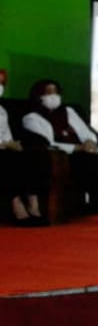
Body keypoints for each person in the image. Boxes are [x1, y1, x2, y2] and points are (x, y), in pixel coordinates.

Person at [23, 78, 98, 223]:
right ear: (39, 96)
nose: (54, 96)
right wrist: (76, 148)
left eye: (56, 92)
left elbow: (85, 131)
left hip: (88, 150)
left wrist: (89, 141)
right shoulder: (31, 118)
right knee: (88, 161)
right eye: (49, 93)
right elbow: (47, 143)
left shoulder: (68, 111)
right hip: (66, 156)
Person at [0, 70, 49, 226]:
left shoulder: (2, 111)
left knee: (31, 156)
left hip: (6, 148)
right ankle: (17, 206)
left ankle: (33, 205)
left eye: (2, 83)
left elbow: (7, 135)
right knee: (6, 158)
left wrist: (13, 144)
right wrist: (5, 144)